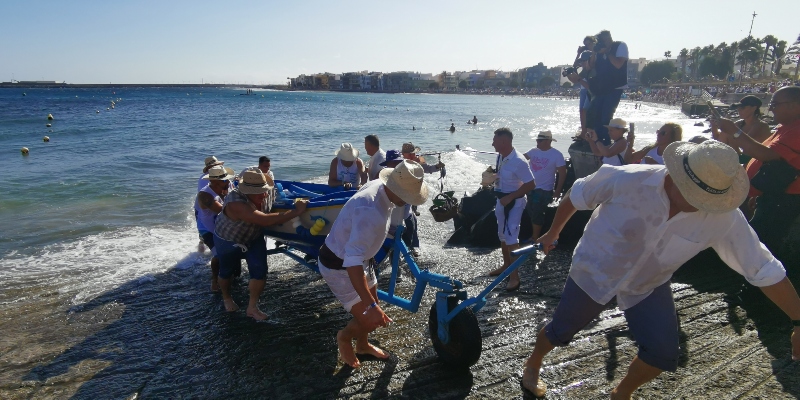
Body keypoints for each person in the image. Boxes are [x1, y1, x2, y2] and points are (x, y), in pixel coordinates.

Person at [523, 140, 800, 399]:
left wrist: (799, 321)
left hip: (648, 283)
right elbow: (577, 193)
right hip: (595, 269)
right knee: (561, 331)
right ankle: (534, 362)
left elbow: (763, 267)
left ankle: (621, 393)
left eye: (708, 200)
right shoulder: (626, 178)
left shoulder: (723, 216)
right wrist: (552, 233)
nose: (701, 207)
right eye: (695, 197)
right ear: (675, 175)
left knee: (663, 353)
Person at [318, 160, 429, 368]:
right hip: (339, 266)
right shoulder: (370, 210)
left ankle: (363, 344)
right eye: (407, 198)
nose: (407, 203)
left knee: (375, 307)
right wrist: (369, 305)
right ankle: (343, 337)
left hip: (362, 261)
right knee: (371, 316)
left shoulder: (380, 186)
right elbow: (351, 263)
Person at [715, 86, 800, 258]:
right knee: (756, 243)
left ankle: (762, 281)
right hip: (773, 195)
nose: (770, 108)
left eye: (775, 104)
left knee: (763, 248)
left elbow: (765, 154)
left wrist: (734, 131)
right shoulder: (785, 128)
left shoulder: (796, 130)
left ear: (793, 105)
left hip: (785, 200)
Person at [214, 169, 308, 320]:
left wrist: (299, 201)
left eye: (264, 191)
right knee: (226, 271)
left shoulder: (267, 191)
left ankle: (252, 307)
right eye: (259, 193)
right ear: (247, 192)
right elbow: (264, 220)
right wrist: (296, 212)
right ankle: (226, 297)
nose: (264, 195)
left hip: (253, 236)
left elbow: (282, 195)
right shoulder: (235, 202)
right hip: (228, 239)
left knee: (260, 270)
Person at [487, 128, 536, 291]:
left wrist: (511, 196)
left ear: (504, 142)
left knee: (511, 238)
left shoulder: (519, 161)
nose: (492, 142)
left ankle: (515, 277)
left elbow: (531, 184)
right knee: (502, 235)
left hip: (514, 202)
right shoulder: (501, 155)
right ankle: (506, 266)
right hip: (501, 200)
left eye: (495, 140)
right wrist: (491, 177)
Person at [400, 143, 445, 256]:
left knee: (413, 223)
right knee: (407, 224)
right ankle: (403, 249)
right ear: (404, 154)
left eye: (413, 153)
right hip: (402, 198)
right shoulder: (400, 164)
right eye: (409, 154)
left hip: (413, 195)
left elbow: (428, 168)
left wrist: (437, 167)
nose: (412, 155)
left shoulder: (418, 161)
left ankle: (413, 247)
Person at [196, 165, 234, 292]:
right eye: (224, 180)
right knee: (218, 254)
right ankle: (214, 279)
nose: (228, 182)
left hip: (222, 227)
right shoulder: (205, 195)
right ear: (213, 181)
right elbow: (224, 211)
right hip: (208, 229)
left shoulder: (226, 187)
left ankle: (233, 274)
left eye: (227, 179)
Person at [587, 30, 629, 145]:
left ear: (609, 38)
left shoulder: (620, 46)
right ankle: (597, 140)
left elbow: (618, 64)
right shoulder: (599, 50)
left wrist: (607, 52)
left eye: (604, 40)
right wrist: (594, 52)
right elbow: (591, 66)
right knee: (595, 115)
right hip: (601, 88)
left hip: (615, 87)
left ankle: (606, 141)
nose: (603, 43)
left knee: (606, 116)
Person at [523, 130, 566, 243]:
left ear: (548, 141)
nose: (538, 142)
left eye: (540, 140)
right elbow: (521, 160)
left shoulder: (556, 154)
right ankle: (539, 235)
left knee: (537, 212)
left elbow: (562, 173)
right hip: (531, 187)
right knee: (530, 209)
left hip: (544, 189)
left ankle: (535, 238)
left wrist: (558, 190)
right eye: (537, 140)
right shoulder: (533, 151)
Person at [711, 95, 772, 159]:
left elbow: (744, 143)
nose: (739, 110)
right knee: (727, 132)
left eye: (742, 108)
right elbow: (719, 140)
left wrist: (729, 128)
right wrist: (714, 125)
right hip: (741, 158)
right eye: (738, 108)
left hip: (753, 160)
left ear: (754, 108)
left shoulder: (761, 125)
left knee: (729, 132)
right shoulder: (740, 123)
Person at [196, 156, 225, 250]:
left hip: (210, 205)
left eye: (217, 165)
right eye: (214, 166)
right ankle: (204, 243)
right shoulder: (204, 180)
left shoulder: (221, 176)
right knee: (205, 225)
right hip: (203, 206)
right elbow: (209, 198)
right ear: (208, 168)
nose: (216, 167)